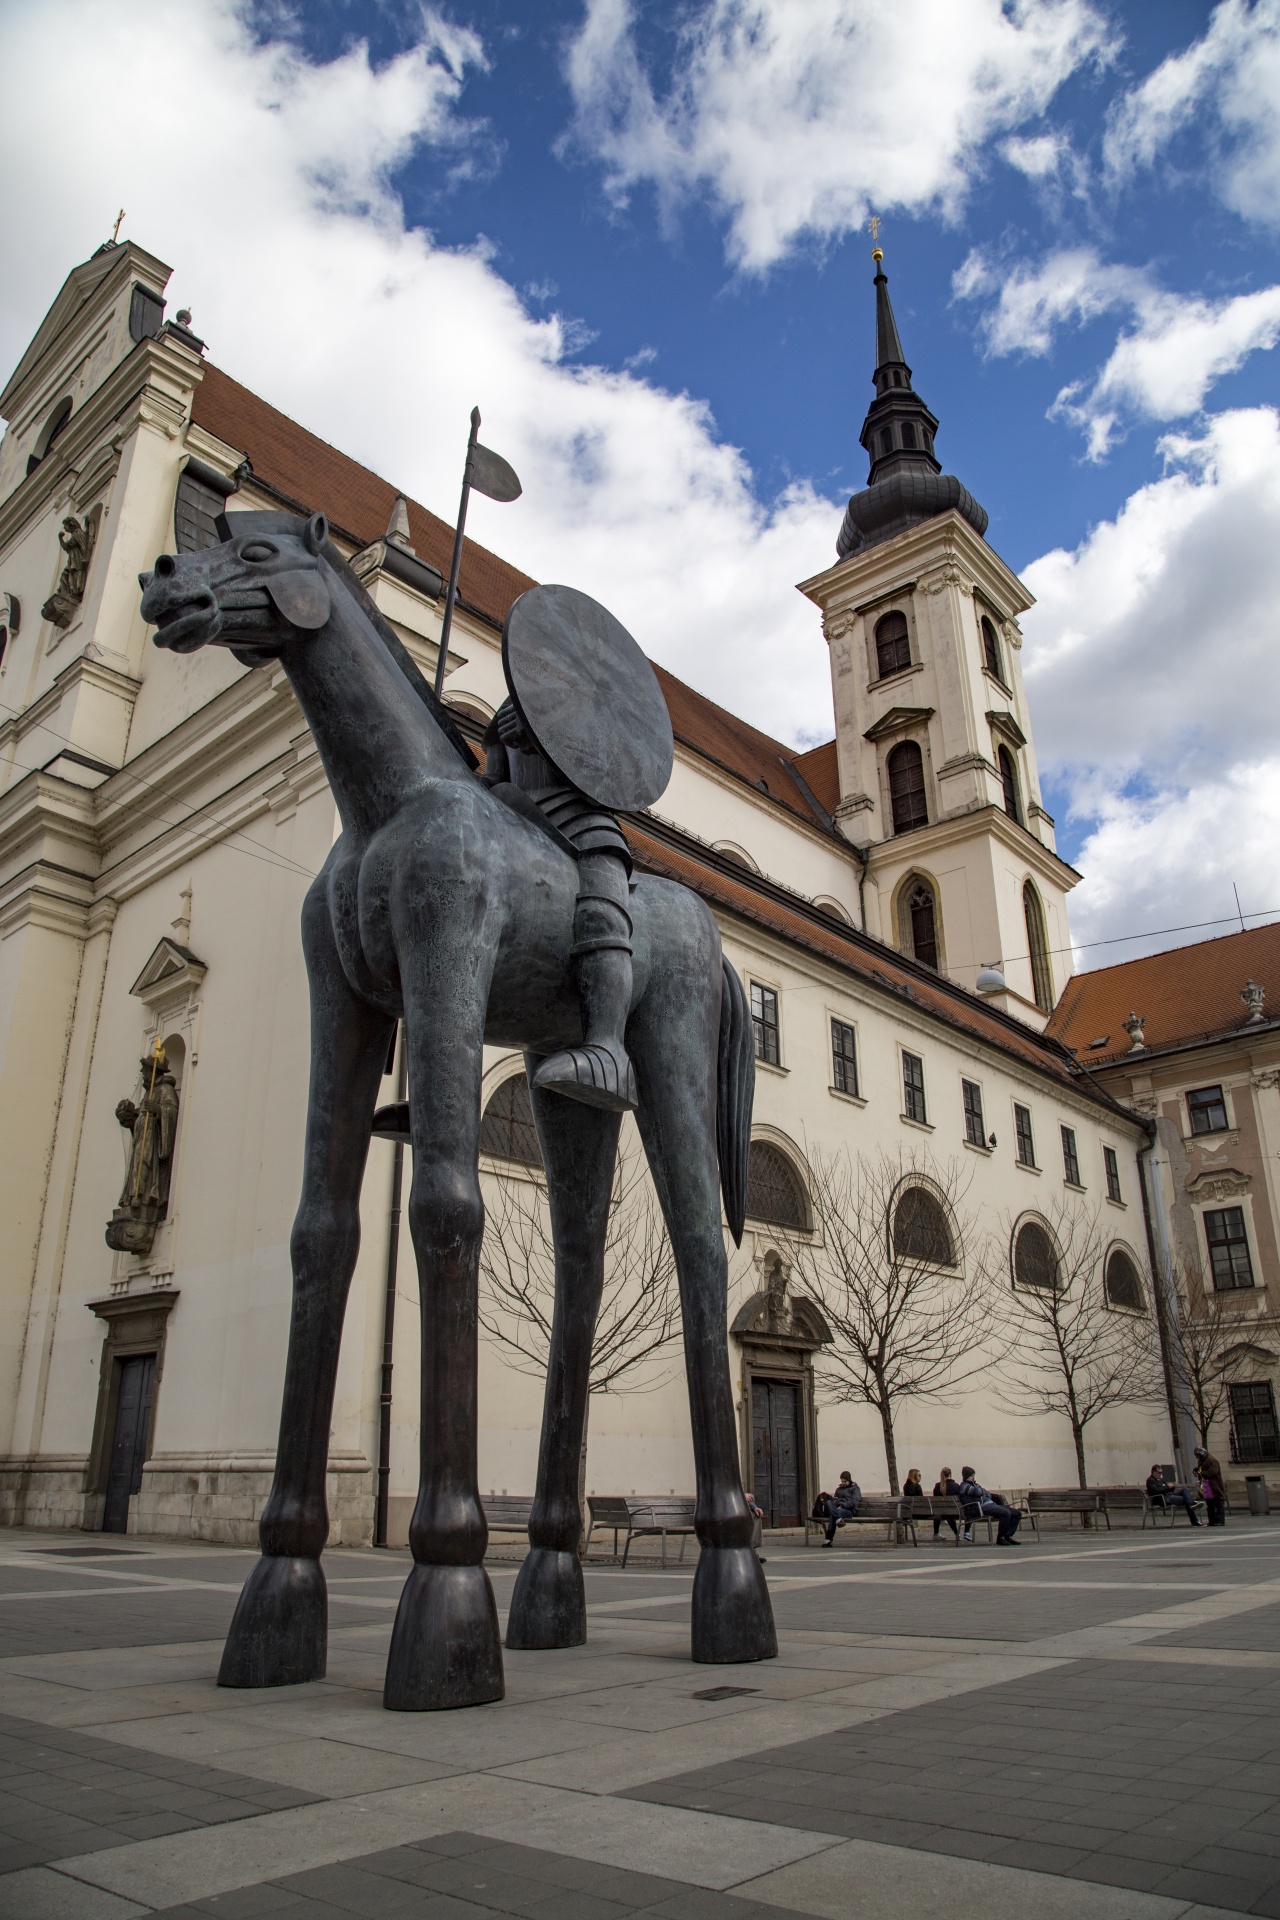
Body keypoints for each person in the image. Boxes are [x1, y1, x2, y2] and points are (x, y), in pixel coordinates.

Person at [485, 698, 638, 1111]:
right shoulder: (511, 698)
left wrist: (542, 730)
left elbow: (614, 774)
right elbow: (495, 774)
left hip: (580, 820)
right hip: (512, 819)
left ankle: (608, 1046)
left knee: (602, 915)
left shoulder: (590, 694)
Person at [959, 1466, 1021, 1545]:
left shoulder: (974, 1484)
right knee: (1006, 1513)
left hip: (990, 1504)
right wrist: (983, 1491)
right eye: (971, 1476)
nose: (973, 1477)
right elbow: (978, 1491)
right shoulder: (964, 1486)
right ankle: (1000, 1538)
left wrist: (983, 1492)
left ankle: (1008, 1535)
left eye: (974, 1475)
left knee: (1017, 1513)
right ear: (966, 1476)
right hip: (982, 1507)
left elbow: (986, 1493)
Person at [818, 1470, 861, 1545]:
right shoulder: (839, 1489)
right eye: (842, 1481)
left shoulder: (855, 1489)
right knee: (828, 1502)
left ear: (849, 1480)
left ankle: (828, 1539)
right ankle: (839, 1520)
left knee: (833, 1514)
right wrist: (835, 1502)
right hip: (837, 1509)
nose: (843, 1483)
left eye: (845, 1481)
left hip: (848, 1511)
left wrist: (841, 1504)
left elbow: (854, 1502)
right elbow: (835, 1499)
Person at [1194, 1445, 1227, 1526]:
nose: (1198, 1458)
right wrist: (1196, 1470)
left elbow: (1213, 1472)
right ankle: (1212, 1520)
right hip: (1207, 1485)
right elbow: (1200, 1469)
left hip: (1215, 1485)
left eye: (1198, 1456)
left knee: (1218, 1503)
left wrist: (1201, 1473)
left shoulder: (1211, 1460)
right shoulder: (1202, 1460)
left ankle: (1220, 1520)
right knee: (1210, 1504)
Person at [932, 1467, 962, 1541]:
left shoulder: (938, 1486)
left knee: (938, 1512)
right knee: (949, 1513)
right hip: (954, 1512)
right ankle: (957, 1534)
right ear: (950, 1474)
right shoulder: (956, 1486)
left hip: (940, 1512)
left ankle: (936, 1533)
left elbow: (935, 1499)